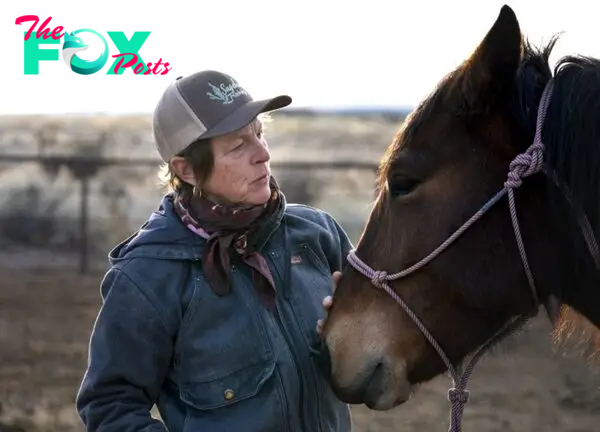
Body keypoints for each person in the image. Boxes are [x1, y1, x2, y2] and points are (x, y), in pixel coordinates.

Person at [75, 69, 354, 432]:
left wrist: (352, 332)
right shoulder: (147, 276)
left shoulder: (317, 235)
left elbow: (374, 372)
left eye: (259, 134)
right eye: (238, 146)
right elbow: (110, 406)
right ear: (187, 169)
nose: (263, 154)